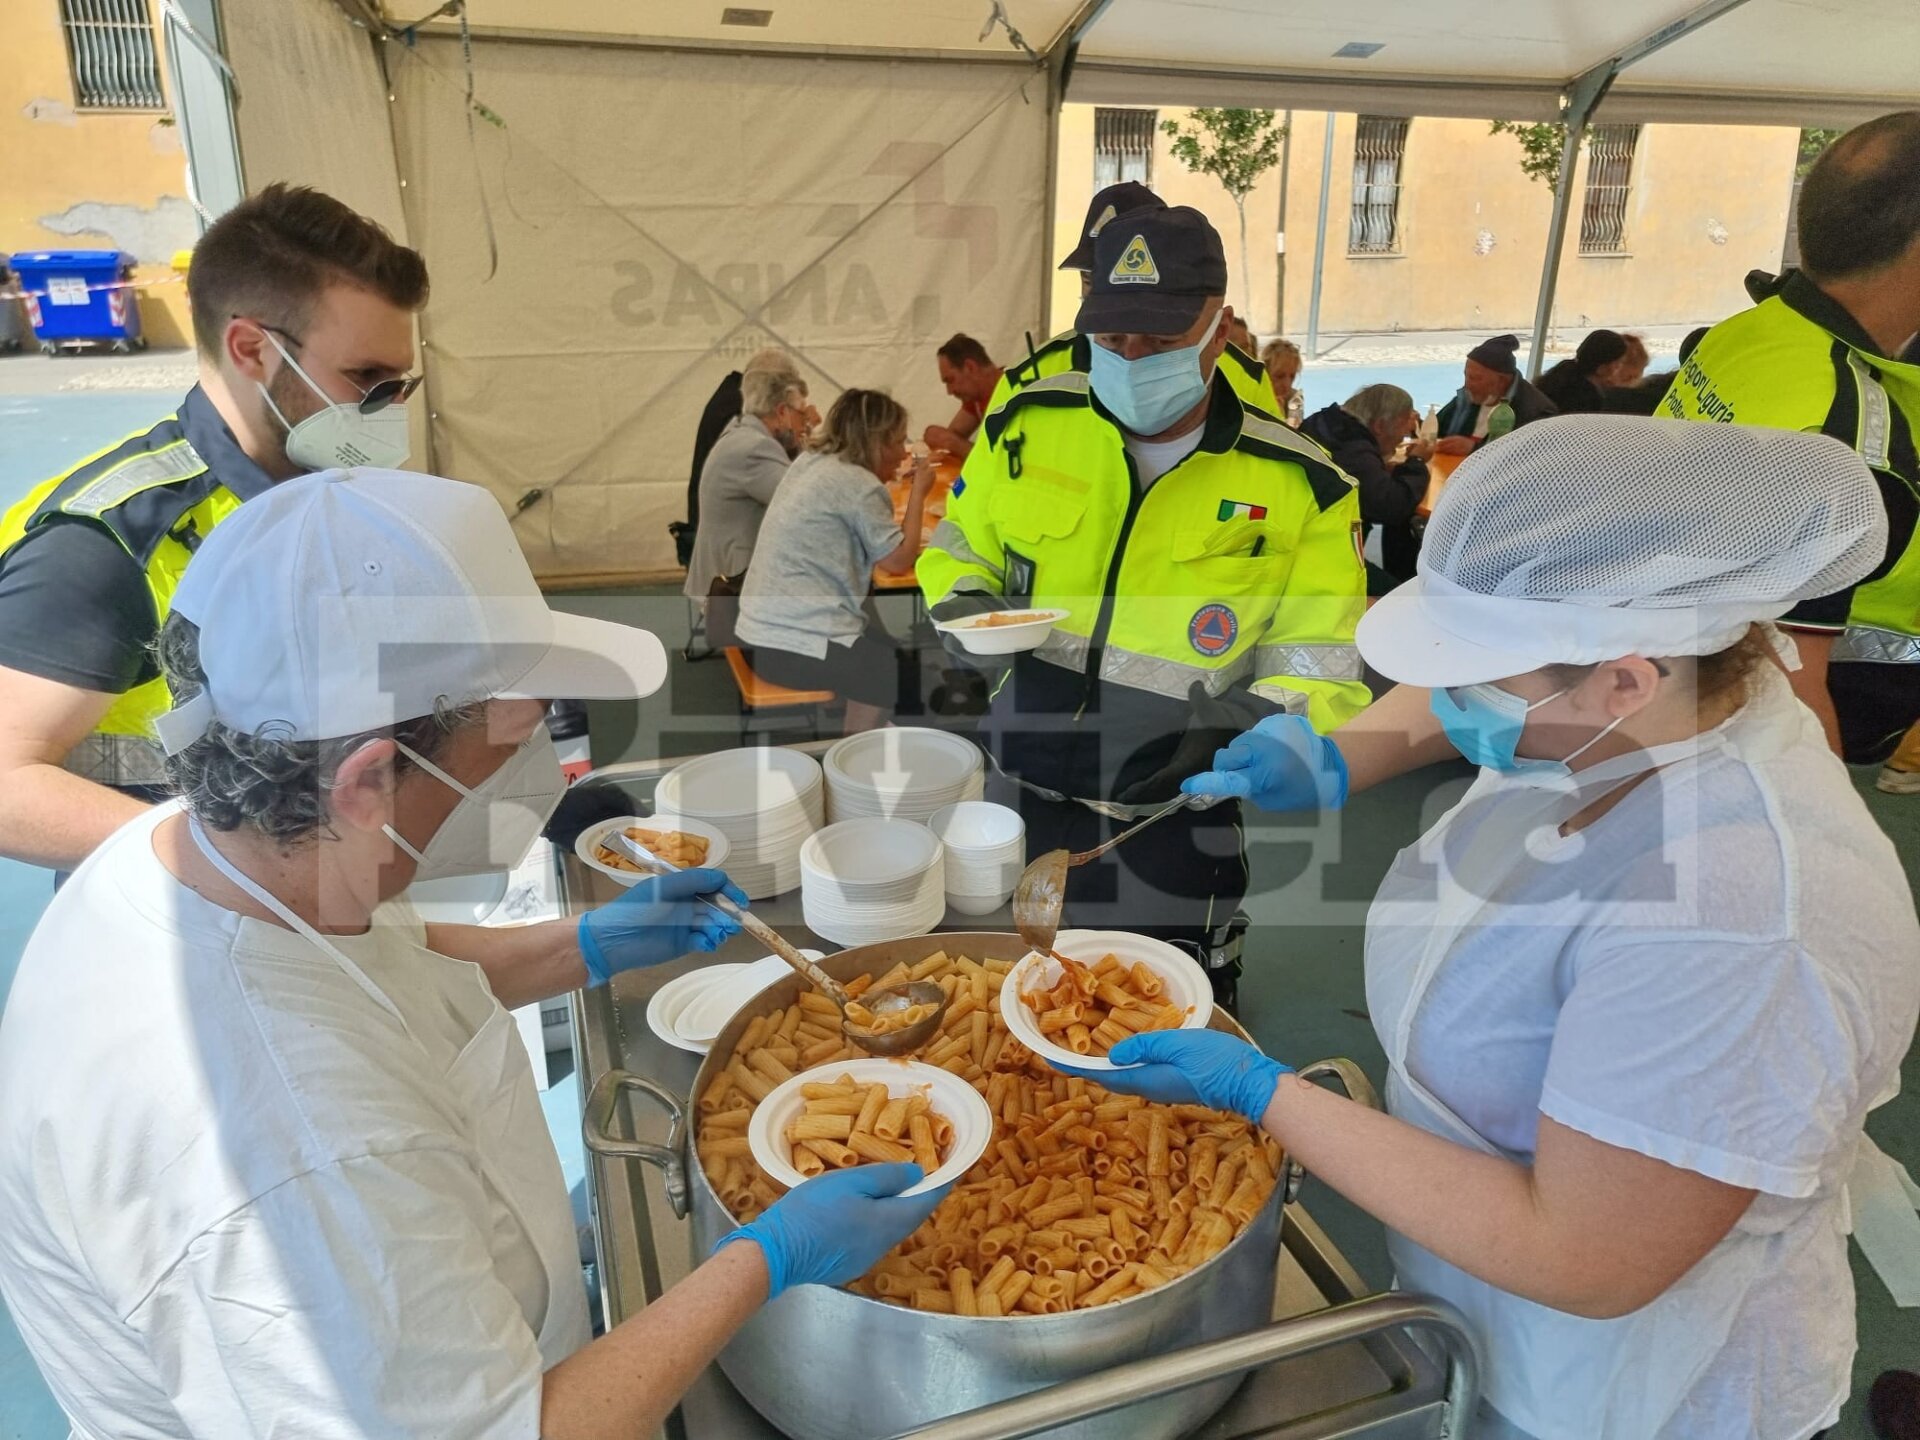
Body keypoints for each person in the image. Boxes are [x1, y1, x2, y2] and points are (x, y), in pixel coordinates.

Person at [0, 467, 948, 1439]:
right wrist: (768, 1259)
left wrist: (587, 942)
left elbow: (387, 970)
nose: (543, 765)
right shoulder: (294, 1146)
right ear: (368, 782)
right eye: (519, 734)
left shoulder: (202, 856)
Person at [1083, 417, 1919, 1440]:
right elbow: (1475, 689)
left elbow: (1584, 1256)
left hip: (1613, 1388)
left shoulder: (1738, 917)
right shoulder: (1635, 715)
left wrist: (1258, 1091)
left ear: (1624, 677)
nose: (1455, 698)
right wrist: (1338, 758)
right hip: (1477, 1297)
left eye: (1484, 678)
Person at [919, 205, 1369, 1006]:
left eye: (1158, 340)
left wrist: (1244, 731)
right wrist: (962, 609)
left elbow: (1321, 660)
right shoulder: (1029, 421)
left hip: (1169, 820)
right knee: (1002, 1014)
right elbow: (961, 542)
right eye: (1113, 337)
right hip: (1015, 789)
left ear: (1218, 325)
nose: (1129, 358)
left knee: (1151, 1030)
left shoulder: (1304, 486)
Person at [0, 184, 427, 872]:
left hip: (315, 878)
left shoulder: (321, 490)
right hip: (174, 920)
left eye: (402, 383)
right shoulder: (109, 543)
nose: (390, 409)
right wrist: (227, 867)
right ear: (252, 348)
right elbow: (6, 787)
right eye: (366, 379)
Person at [1663, 110, 1920, 776]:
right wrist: (1826, 854)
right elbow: (1789, 692)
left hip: (1673, 694)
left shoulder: (1750, 333)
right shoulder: (1842, 440)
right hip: (1763, 741)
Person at [737, 389, 933, 733]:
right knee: (887, 671)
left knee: (894, 657)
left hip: (758, 630)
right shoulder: (858, 484)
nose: (903, 453)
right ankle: (852, 764)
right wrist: (919, 491)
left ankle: (874, 737)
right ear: (876, 443)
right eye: (899, 442)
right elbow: (899, 560)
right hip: (787, 644)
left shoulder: (812, 461)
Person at [1012, 182, 1281, 415]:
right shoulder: (1029, 376)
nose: (1105, 299)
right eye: (1090, 279)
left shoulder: (1244, 379)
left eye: (1126, 283)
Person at [682, 360, 816, 603]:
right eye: (801, 413)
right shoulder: (755, 448)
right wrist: (810, 437)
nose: (804, 419)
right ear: (783, 412)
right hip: (736, 586)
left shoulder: (742, 430)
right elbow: (806, 500)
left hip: (728, 576)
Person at [1299, 383, 1430, 587]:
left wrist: (1380, 467)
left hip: (1308, 539)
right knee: (1400, 598)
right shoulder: (1352, 448)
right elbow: (1391, 506)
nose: (1401, 440)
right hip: (1325, 557)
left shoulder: (1325, 423)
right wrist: (1417, 462)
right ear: (1379, 426)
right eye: (1402, 430)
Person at [1433, 334, 1558, 455]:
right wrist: (1416, 425)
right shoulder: (1468, 397)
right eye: (1466, 375)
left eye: (1475, 378)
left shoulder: (1536, 412)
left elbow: (1530, 456)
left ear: (1502, 381)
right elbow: (1435, 430)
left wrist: (1475, 449)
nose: (1467, 385)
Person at [922, 333, 1004, 459]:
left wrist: (954, 443)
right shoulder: (977, 397)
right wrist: (939, 436)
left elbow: (1002, 462)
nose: (949, 391)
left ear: (970, 367)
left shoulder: (1013, 393)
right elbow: (952, 435)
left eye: (950, 380)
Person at [1535, 329, 1632, 414]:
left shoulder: (1559, 376)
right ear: (1601, 369)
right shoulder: (1587, 399)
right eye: (1618, 364)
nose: (1620, 369)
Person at [1260, 337, 1303, 420]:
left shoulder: (1293, 400)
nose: (1287, 384)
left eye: (1292, 376)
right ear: (1265, 373)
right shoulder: (1253, 398)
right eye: (1279, 376)